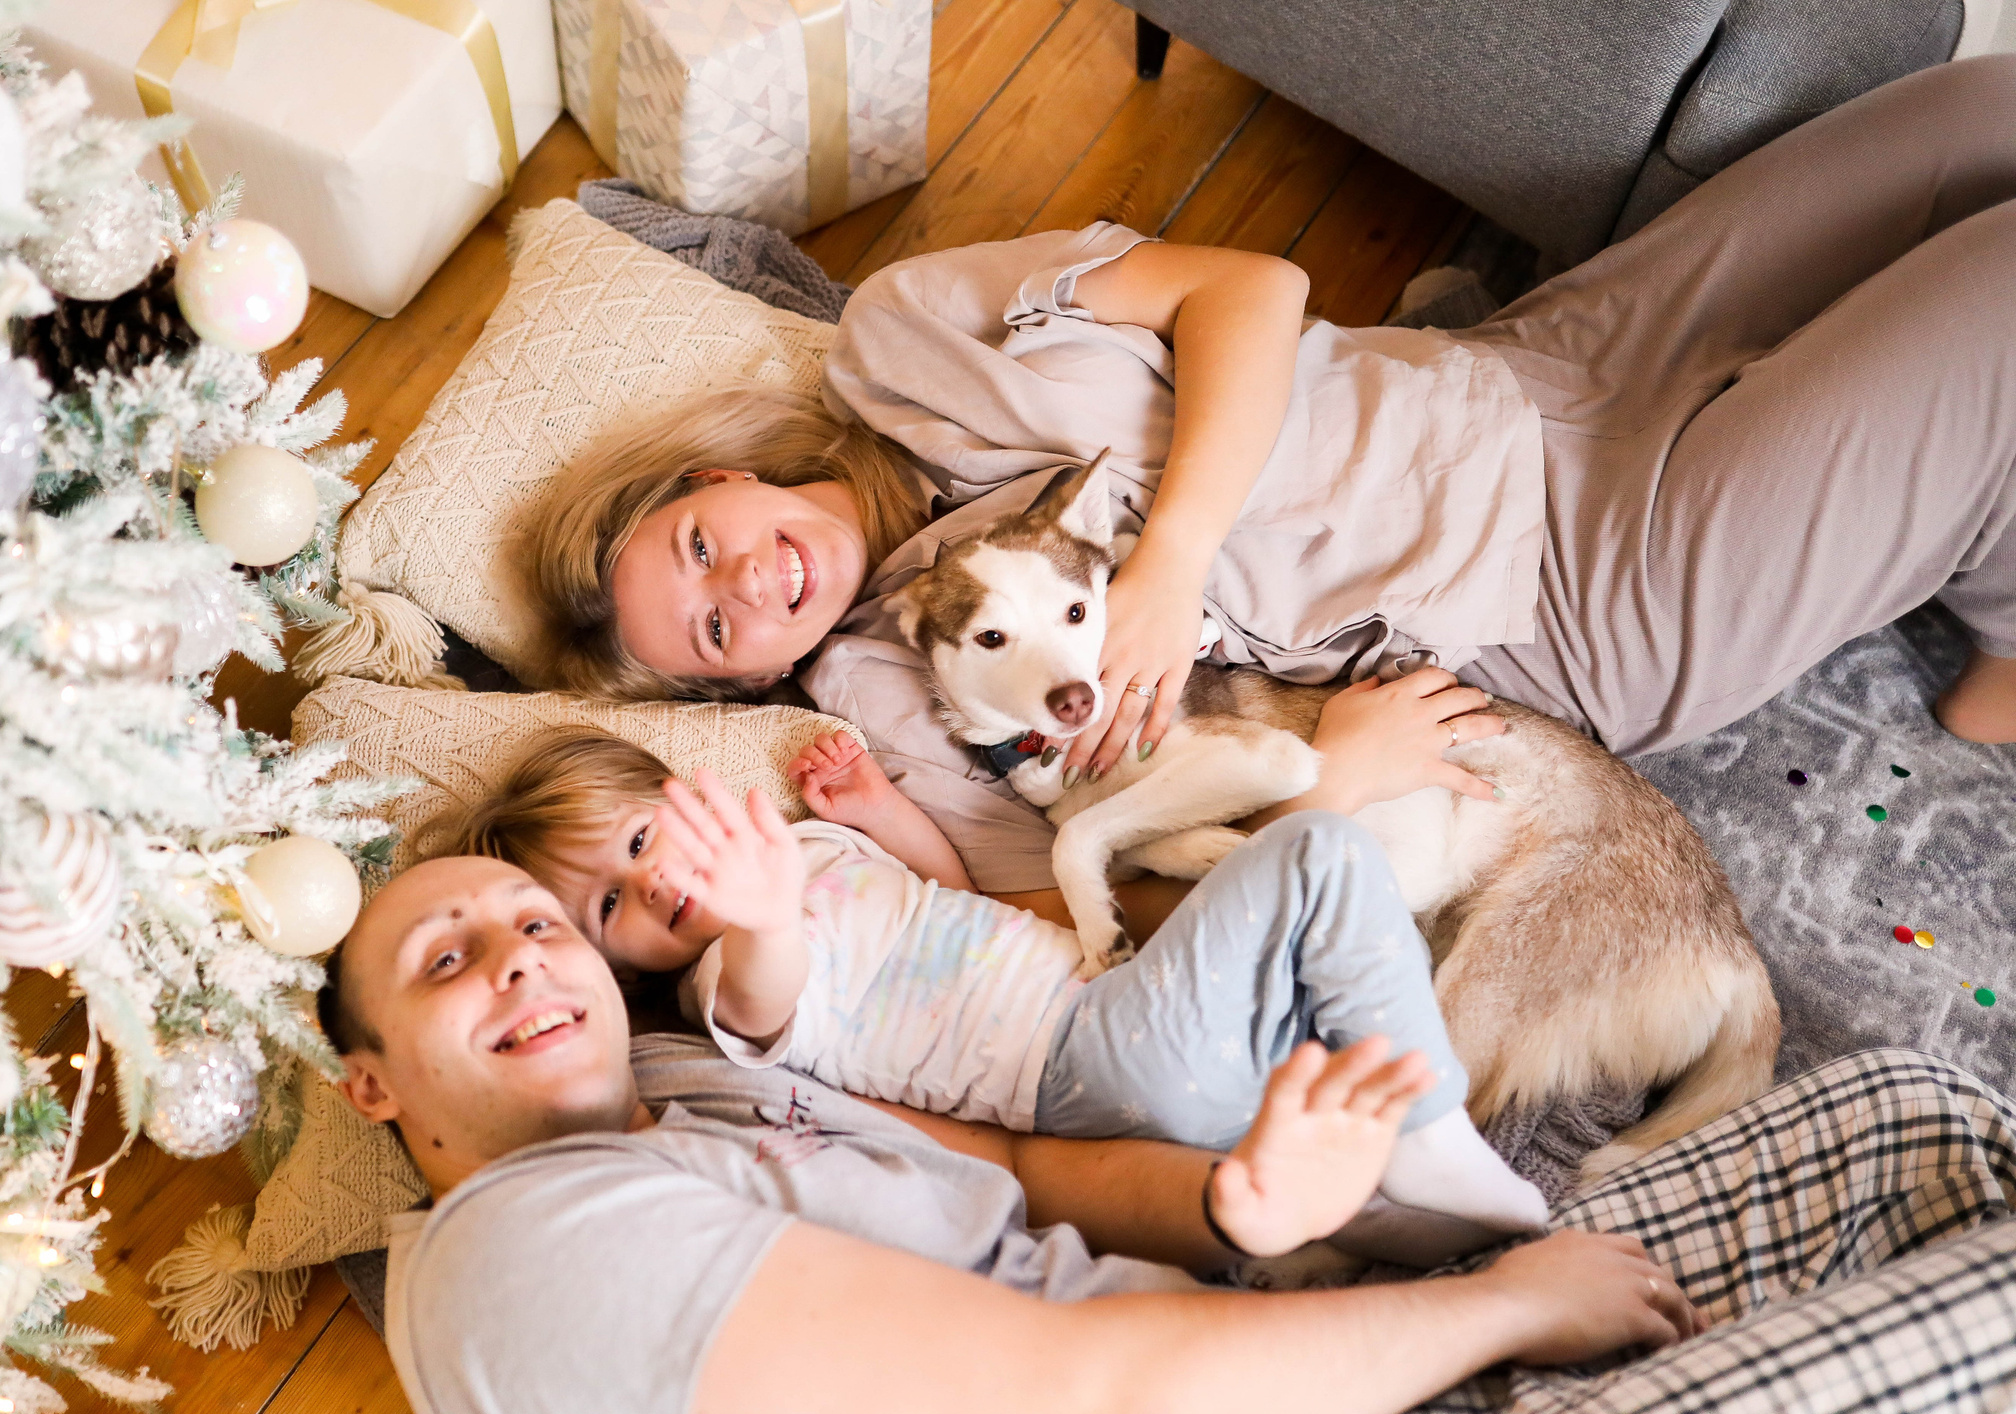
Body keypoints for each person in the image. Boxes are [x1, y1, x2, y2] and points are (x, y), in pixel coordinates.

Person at [328, 854, 2016, 1414]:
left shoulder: (690, 1083)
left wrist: (1249, 1203)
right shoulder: (514, 1268)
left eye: (533, 920)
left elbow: (1045, 1182)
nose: (522, 956)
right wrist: (1508, 1302)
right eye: (446, 960)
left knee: (1911, 1126)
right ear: (376, 1086)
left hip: (1357, 1402)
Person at [519, 57, 2016, 902]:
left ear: (720, 476)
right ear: (747, 681)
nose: (748, 582)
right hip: (1564, 599)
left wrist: (1169, 562)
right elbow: (1058, 890)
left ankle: (1988, 555)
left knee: (1984, 114)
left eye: (703, 544)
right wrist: (1329, 783)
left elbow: (1251, 287)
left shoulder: (906, 336)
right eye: (718, 631)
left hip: (1535, 370)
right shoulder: (888, 700)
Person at [440, 725, 1547, 1253]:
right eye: (610, 909)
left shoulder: (813, 849)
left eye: (646, 840)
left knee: (1324, 1039)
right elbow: (773, 996)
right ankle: (1429, 1121)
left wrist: (874, 809)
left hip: (1133, 1034)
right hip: (1082, 1057)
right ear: (616, 967)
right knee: (1318, 854)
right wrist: (761, 909)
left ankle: (1449, 1224)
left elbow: (949, 894)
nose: (657, 883)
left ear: (693, 799)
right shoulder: (724, 983)